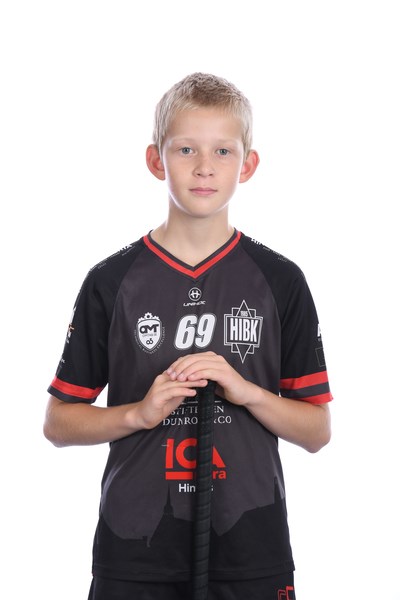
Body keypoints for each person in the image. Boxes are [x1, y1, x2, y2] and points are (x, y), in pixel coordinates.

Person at [44, 72, 332, 600]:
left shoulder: (280, 280)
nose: (204, 167)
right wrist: (138, 414)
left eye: (223, 150)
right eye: (185, 149)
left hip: (250, 546)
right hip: (137, 549)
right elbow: (58, 423)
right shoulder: (112, 281)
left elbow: (317, 432)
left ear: (248, 164)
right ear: (156, 160)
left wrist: (247, 392)